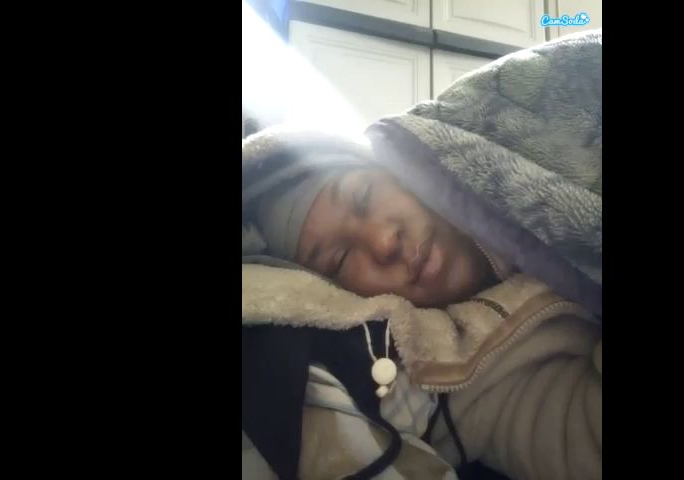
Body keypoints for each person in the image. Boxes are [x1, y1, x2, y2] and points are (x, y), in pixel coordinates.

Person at [242, 30, 602, 480]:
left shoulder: (482, 130)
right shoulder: (461, 378)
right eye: (339, 259)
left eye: (364, 196)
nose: (383, 242)